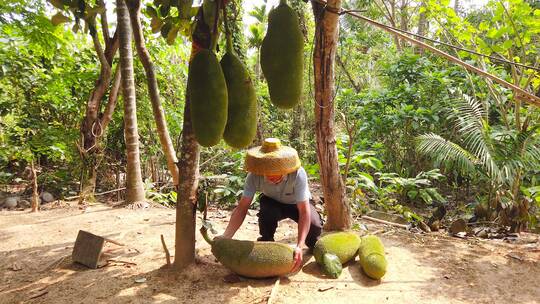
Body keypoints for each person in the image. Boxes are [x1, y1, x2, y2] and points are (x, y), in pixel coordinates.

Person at [221, 138, 323, 273]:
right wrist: (226, 237)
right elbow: (242, 208)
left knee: (314, 227)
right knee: (267, 212)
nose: (272, 177)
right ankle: (266, 239)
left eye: (276, 173)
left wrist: (299, 246)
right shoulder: (253, 176)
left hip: (296, 204)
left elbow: (304, 212)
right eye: (268, 174)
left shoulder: (298, 174)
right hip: (272, 202)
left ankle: (309, 243)